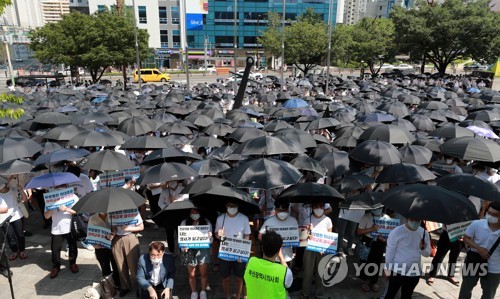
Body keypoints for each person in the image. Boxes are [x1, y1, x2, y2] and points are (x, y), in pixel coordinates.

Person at [458, 202, 500, 299]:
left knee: (488, 294)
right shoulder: (477, 224)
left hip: (494, 268)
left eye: (495, 215)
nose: (490, 216)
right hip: (474, 262)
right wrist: (478, 248)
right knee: (465, 290)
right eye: (489, 213)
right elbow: (466, 238)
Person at [384, 218, 431, 299]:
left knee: (407, 296)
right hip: (397, 271)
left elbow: (427, 254)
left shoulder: (424, 233)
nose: (415, 222)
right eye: (412, 219)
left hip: (414, 272)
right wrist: (387, 268)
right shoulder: (396, 232)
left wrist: (423, 248)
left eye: (417, 220)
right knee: (390, 294)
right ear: (406, 218)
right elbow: (390, 252)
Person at [215, 200, 251, 299]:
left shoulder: (244, 218)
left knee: (239, 278)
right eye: (230, 205)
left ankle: (238, 296)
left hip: (239, 255)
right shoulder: (220, 219)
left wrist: (243, 253)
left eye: (234, 206)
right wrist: (219, 234)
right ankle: (227, 296)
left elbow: (247, 235)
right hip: (224, 254)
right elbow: (216, 235)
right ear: (226, 205)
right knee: (225, 278)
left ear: (238, 206)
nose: (232, 208)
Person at [43, 187, 80, 279]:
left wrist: (66, 209)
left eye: (62, 185)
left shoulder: (73, 196)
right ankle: (56, 266)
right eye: (58, 186)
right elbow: (46, 216)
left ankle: (73, 263)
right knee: (55, 249)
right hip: (56, 228)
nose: (60, 187)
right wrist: (53, 207)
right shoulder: (50, 199)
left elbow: (78, 210)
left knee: (72, 246)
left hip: (70, 226)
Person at [244, 231, 293, 299]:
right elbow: (288, 283)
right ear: (278, 251)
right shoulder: (284, 272)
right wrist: (281, 257)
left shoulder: (251, 262)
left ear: (262, 248)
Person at [301, 200, 333, 299]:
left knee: (321, 271)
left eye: (321, 206)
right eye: (316, 206)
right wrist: (307, 233)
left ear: (324, 207)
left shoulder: (327, 220)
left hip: (323, 250)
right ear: (312, 207)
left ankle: (319, 293)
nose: (318, 208)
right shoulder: (307, 219)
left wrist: (326, 248)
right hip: (309, 249)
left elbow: (330, 236)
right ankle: (305, 292)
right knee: (307, 271)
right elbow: (302, 237)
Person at [180, 208, 212, 299]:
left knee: (203, 273)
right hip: (189, 251)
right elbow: (181, 238)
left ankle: (203, 291)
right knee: (191, 274)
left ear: (200, 212)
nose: (194, 214)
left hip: (203, 250)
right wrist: (183, 247)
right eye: (192, 212)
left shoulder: (207, 223)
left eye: (197, 212)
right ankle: (194, 292)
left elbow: (211, 240)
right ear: (189, 213)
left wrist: (210, 237)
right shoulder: (184, 222)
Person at [111, 208, 144, 297]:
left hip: (130, 237)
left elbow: (141, 227)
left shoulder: (133, 211)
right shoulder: (112, 211)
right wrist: (112, 233)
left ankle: (138, 286)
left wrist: (128, 228)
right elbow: (113, 227)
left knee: (134, 265)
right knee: (120, 264)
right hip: (117, 238)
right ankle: (125, 286)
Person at [357, 207, 390, 292]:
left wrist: (384, 239)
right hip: (368, 241)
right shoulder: (366, 216)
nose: (378, 209)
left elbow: (389, 233)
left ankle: (374, 281)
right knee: (366, 261)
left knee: (377, 261)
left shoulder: (386, 218)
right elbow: (359, 231)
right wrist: (371, 229)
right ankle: (365, 281)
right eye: (376, 207)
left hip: (380, 242)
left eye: (379, 207)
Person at [259, 199, 298, 266]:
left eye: (284, 210)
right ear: (275, 210)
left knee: (286, 275)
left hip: (287, 256)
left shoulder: (293, 221)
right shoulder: (269, 221)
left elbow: (297, 236)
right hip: (272, 258)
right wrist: (272, 243)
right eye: (279, 210)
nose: (282, 213)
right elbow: (260, 236)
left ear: (288, 210)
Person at [88, 213, 119, 287]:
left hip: (113, 245)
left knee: (116, 266)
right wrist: (95, 244)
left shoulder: (113, 216)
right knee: (105, 267)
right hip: (100, 248)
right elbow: (90, 234)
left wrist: (113, 233)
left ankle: (118, 283)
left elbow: (118, 229)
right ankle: (108, 286)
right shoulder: (92, 219)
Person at [0, 182, 28, 261]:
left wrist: (21, 190)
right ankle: (14, 251)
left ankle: (22, 250)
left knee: (20, 234)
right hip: (4, 218)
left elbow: (24, 199)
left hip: (17, 215)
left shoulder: (13, 190)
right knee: (10, 236)